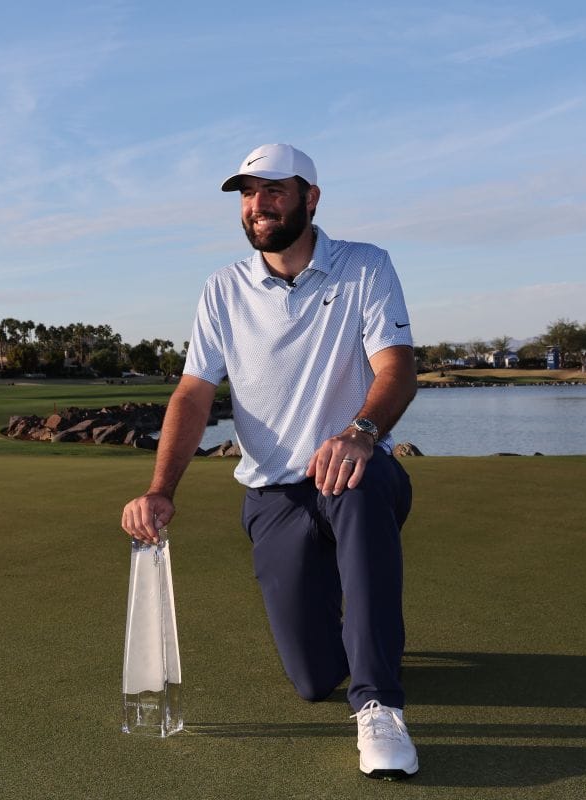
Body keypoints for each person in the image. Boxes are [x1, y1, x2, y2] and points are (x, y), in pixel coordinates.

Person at [120, 143, 419, 779]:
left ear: (311, 198)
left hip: (354, 473)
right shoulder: (222, 289)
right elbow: (193, 393)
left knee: (357, 488)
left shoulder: (365, 265)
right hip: (274, 495)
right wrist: (161, 487)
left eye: (274, 190)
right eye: (248, 194)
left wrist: (361, 433)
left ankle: (379, 705)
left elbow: (396, 368)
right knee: (314, 678)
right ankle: (363, 638)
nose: (259, 205)